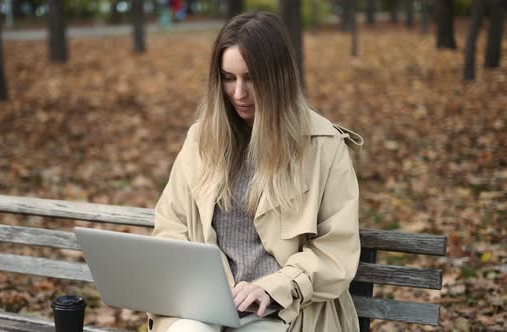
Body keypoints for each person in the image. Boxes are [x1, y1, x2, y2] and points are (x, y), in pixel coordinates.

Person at [148, 11, 363, 332]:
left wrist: (273, 287)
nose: (238, 94)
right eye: (228, 78)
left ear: (278, 77)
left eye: (251, 78)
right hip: (206, 307)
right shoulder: (201, 139)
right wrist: (205, 288)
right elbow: (171, 224)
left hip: (284, 310)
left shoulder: (323, 145)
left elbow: (336, 250)